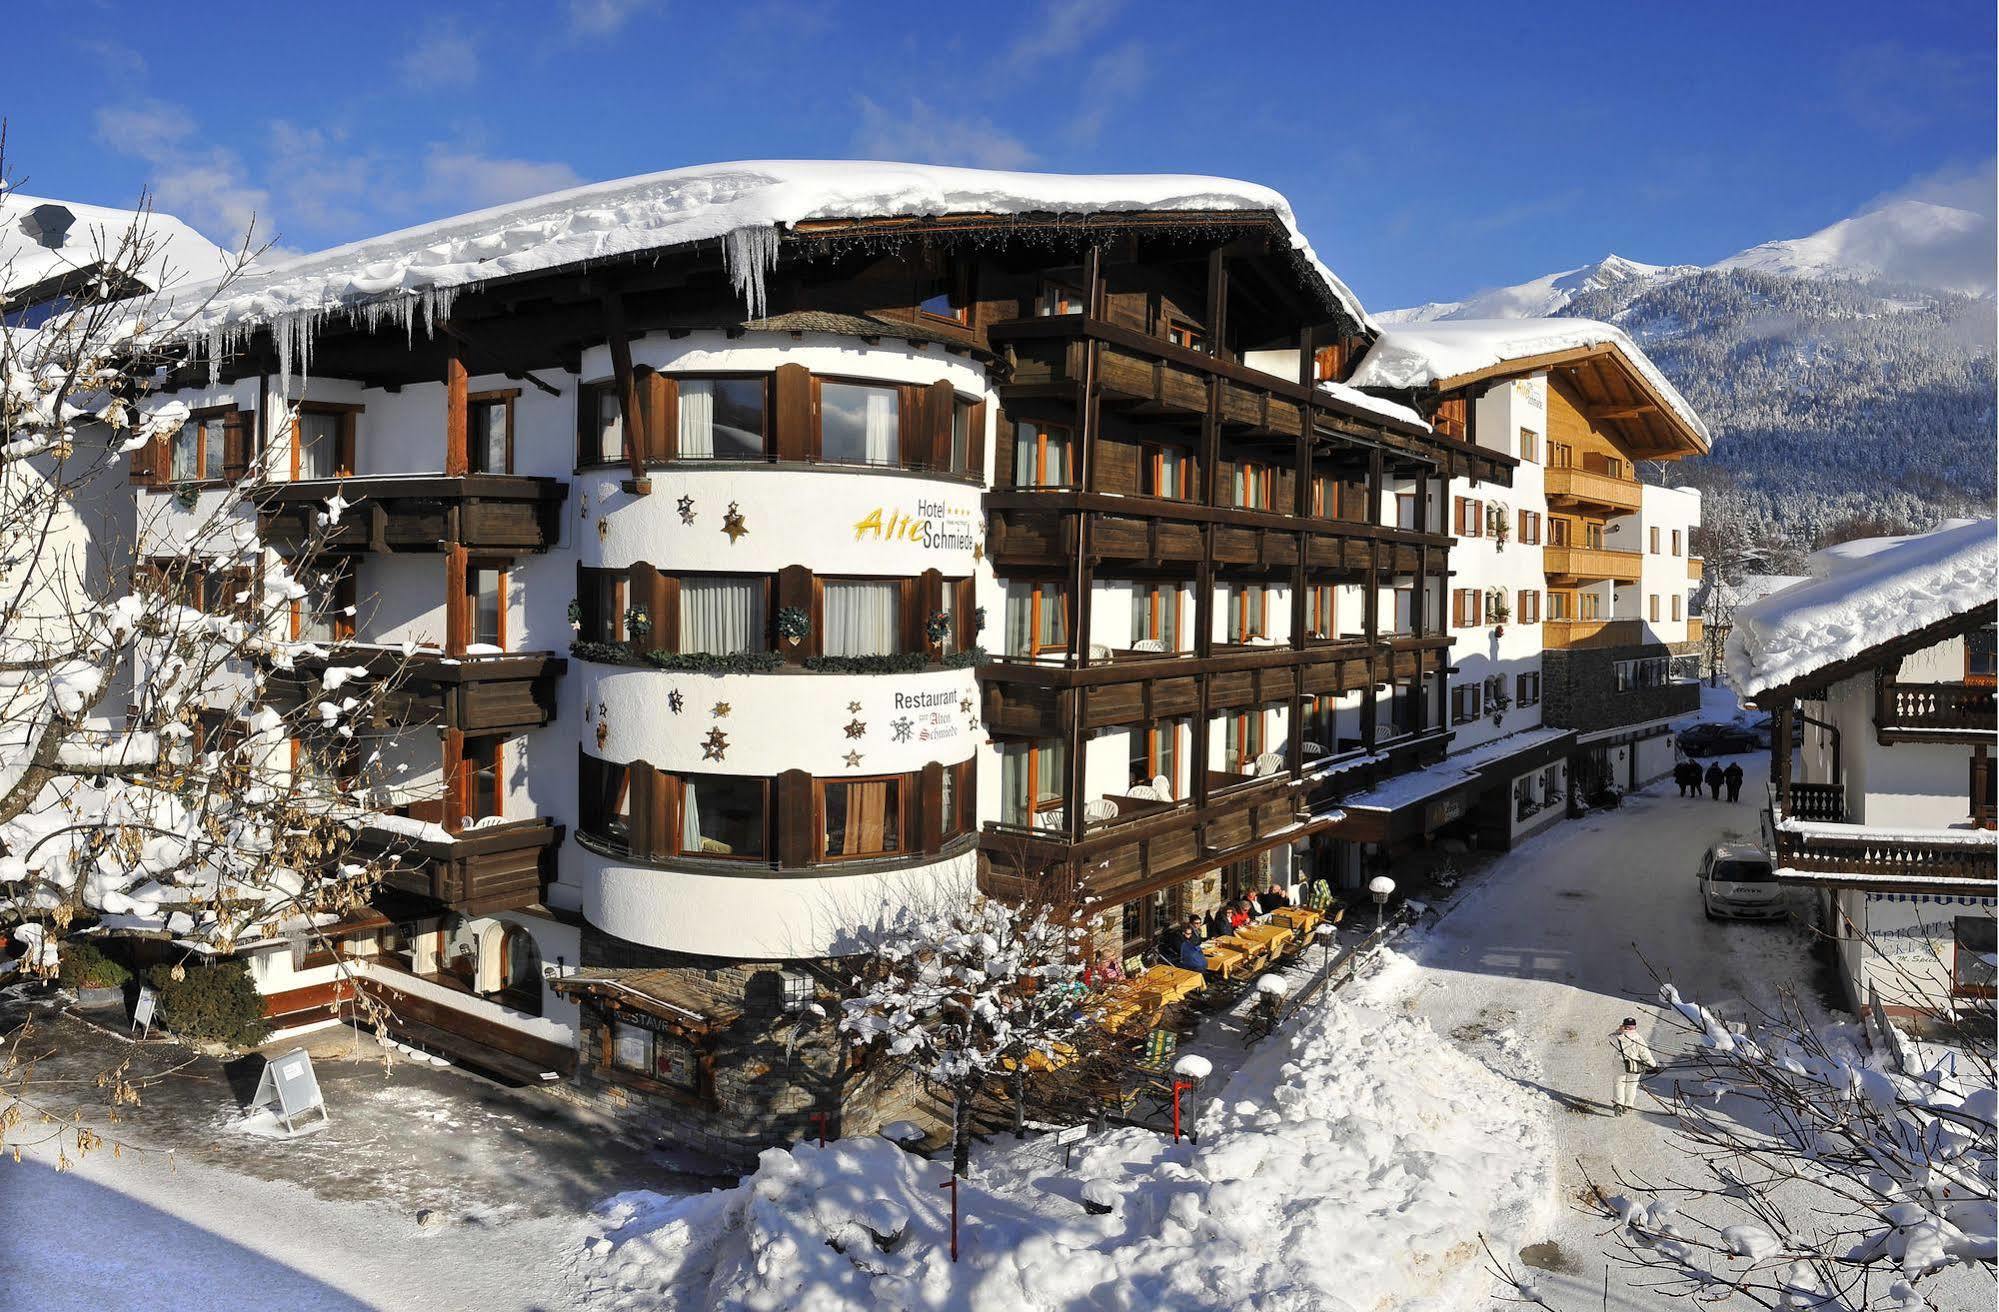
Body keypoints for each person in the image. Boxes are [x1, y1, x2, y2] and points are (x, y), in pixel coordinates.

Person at [1610, 1017, 1659, 1115]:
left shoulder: (1618, 1037)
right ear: (1635, 1027)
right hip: (1635, 1066)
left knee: (1619, 1083)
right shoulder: (1638, 1038)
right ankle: (1628, 1106)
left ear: (1623, 1026)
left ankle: (1619, 1104)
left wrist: (1618, 1031)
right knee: (1632, 1085)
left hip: (1620, 1064)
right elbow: (1645, 1053)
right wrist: (1653, 1065)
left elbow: (1609, 1039)